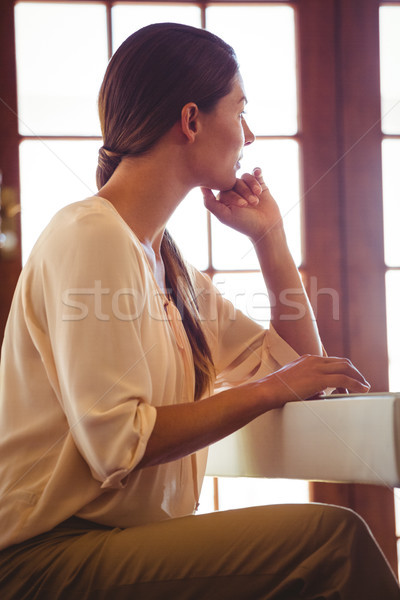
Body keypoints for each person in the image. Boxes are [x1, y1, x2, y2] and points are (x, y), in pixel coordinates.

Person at [0, 22, 398, 600]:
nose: (250, 133)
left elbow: (300, 372)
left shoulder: (169, 267)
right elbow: (119, 445)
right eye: (240, 110)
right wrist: (268, 391)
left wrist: (271, 240)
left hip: (122, 545)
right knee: (332, 543)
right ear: (190, 120)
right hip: (45, 558)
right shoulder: (89, 233)